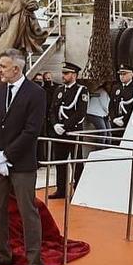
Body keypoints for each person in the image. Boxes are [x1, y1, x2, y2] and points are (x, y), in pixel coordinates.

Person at [0, 48, 47, 265]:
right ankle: (1, 253)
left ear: (16, 69)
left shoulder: (36, 93)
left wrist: (6, 155)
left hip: (22, 164)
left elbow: (31, 131)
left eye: (3, 66)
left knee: (27, 212)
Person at [48, 62, 89, 199]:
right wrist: (55, 125)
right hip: (59, 132)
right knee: (60, 162)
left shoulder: (81, 90)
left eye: (66, 73)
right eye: (63, 73)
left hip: (73, 132)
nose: (63, 76)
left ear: (74, 75)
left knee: (76, 162)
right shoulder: (59, 90)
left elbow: (80, 113)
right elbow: (53, 110)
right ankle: (61, 189)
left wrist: (65, 126)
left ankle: (78, 189)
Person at [109, 64, 133, 143]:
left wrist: (124, 120)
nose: (121, 76)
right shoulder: (116, 87)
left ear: (131, 74)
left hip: (128, 124)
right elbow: (111, 106)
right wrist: (113, 119)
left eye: (124, 74)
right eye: (120, 74)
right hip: (116, 125)